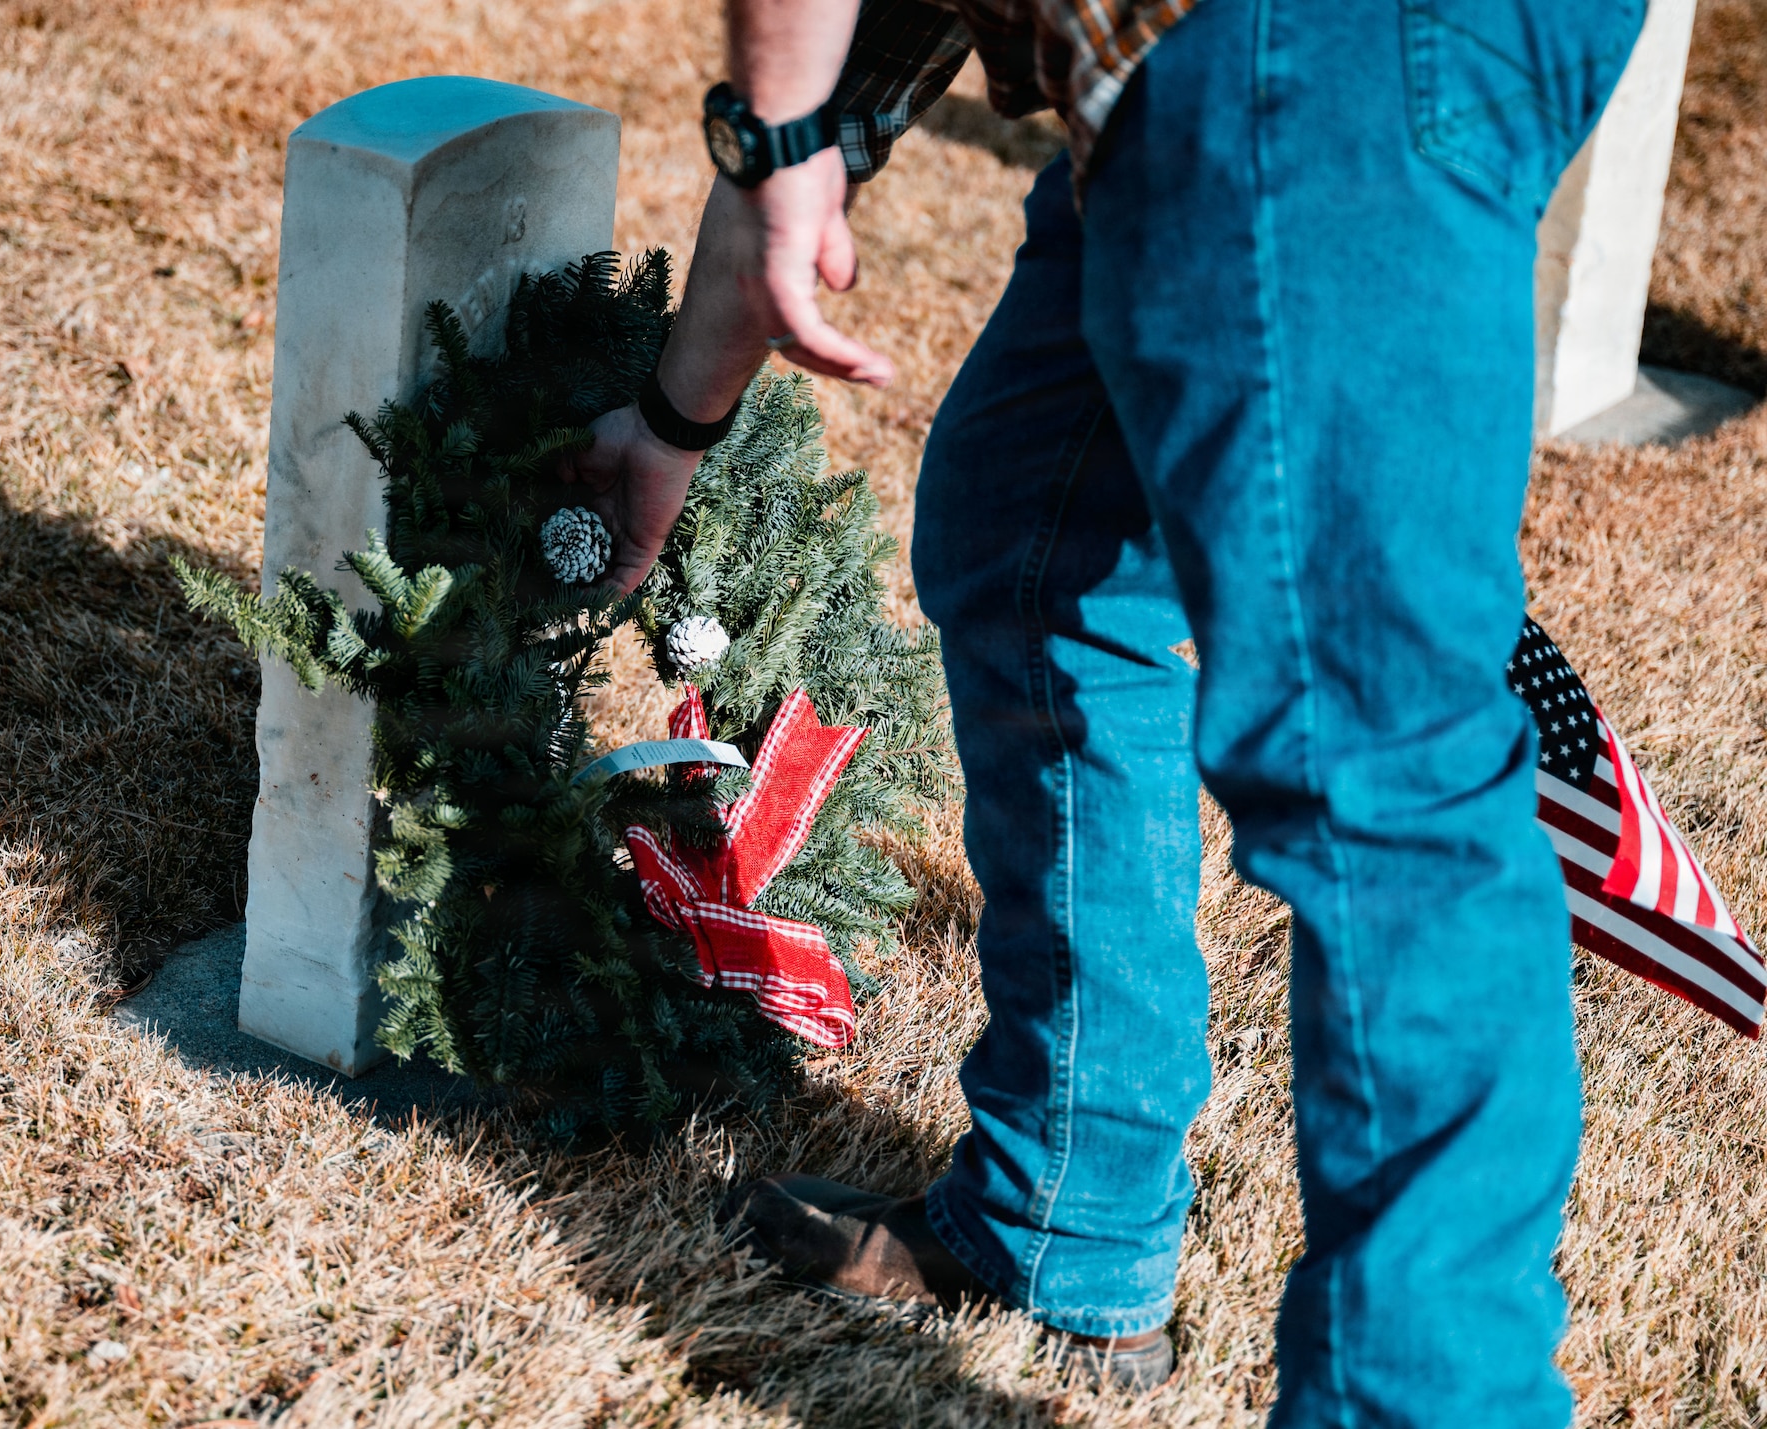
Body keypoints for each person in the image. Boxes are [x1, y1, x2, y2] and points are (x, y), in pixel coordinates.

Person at [564, 0, 1646, 1417]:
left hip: (1307, 50)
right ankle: (1065, 1217)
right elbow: (848, 75)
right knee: (1035, 530)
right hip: (1213, 66)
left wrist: (773, 145)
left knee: (1374, 759)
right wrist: (670, 424)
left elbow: (793, 116)